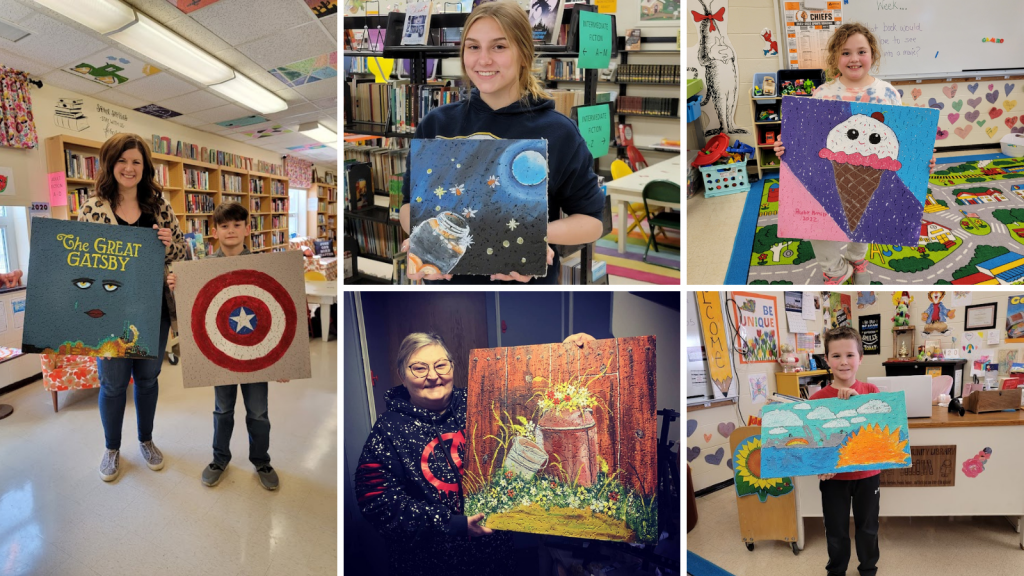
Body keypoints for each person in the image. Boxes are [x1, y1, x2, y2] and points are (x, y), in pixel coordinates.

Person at [355, 331, 595, 576]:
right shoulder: (388, 428)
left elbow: (536, 399)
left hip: (494, 558)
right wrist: (451, 524)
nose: (433, 376)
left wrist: (571, 355)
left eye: (441, 365)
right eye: (419, 368)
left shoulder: (481, 403)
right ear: (402, 376)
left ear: (452, 367)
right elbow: (376, 501)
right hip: (427, 565)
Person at [399, 0, 605, 285]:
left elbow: (592, 222)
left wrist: (533, 236)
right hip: (449, 290)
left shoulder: (559, 131)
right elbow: (409, 207)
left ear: (524, 53)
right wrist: (423, 238)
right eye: (473, 47)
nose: (483, 60)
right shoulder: (437, 124)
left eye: (499, 46)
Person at [773, 23, 936, 285]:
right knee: (814, 219)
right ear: (835, 57)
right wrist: (787, 148)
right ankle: (835, 269)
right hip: (828, 167)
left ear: (872, 54)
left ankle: (857, 257)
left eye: (861, 51)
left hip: (877, 167)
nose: (854, 58)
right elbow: (808, 138)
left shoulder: (888, 93)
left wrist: (923, 158)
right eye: (845, 52)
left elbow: (904, 139)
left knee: (868, 215)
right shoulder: (823, 93)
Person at [78, 133, 187, 482]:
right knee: (111, 384)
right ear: (110, 164)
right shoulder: (92, 207)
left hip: (152, 309)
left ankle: (146, 440)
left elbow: (181, 256)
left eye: (136, 161)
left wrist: (170, 245)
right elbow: (79, 265)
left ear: (145, 167)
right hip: (108, 313)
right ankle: (112, 448)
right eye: (122, 160)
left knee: (148, 379)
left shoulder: (160, 206)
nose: (129, 167)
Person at [167, 203, 279, 490]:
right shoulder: (201, 270)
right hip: (221, 355)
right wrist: (176, 286)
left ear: (247, 229)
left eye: (237, 225)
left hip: (256, 353)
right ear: (214, 232)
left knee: (258, 412)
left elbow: (277, 314)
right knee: (222, 410)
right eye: (225, 226)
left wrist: (283, 359)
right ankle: (219, 458)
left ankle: (261, 460)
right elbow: (188, 310)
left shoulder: (263, 266)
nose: (231, 231)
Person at [811, 326, 881, 576]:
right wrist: (820, 465)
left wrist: (857, 403)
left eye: (850, 355)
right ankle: (836, 570)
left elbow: (879, 430)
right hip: (834, 479)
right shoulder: (817, 398)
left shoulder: (872, 392)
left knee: (868, 526)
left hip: (868, 475)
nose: (844, 362)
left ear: (860, 358)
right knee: (836, 529)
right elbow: (814, 440)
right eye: (836, 356)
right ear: (827, 360)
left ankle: (868, 569)